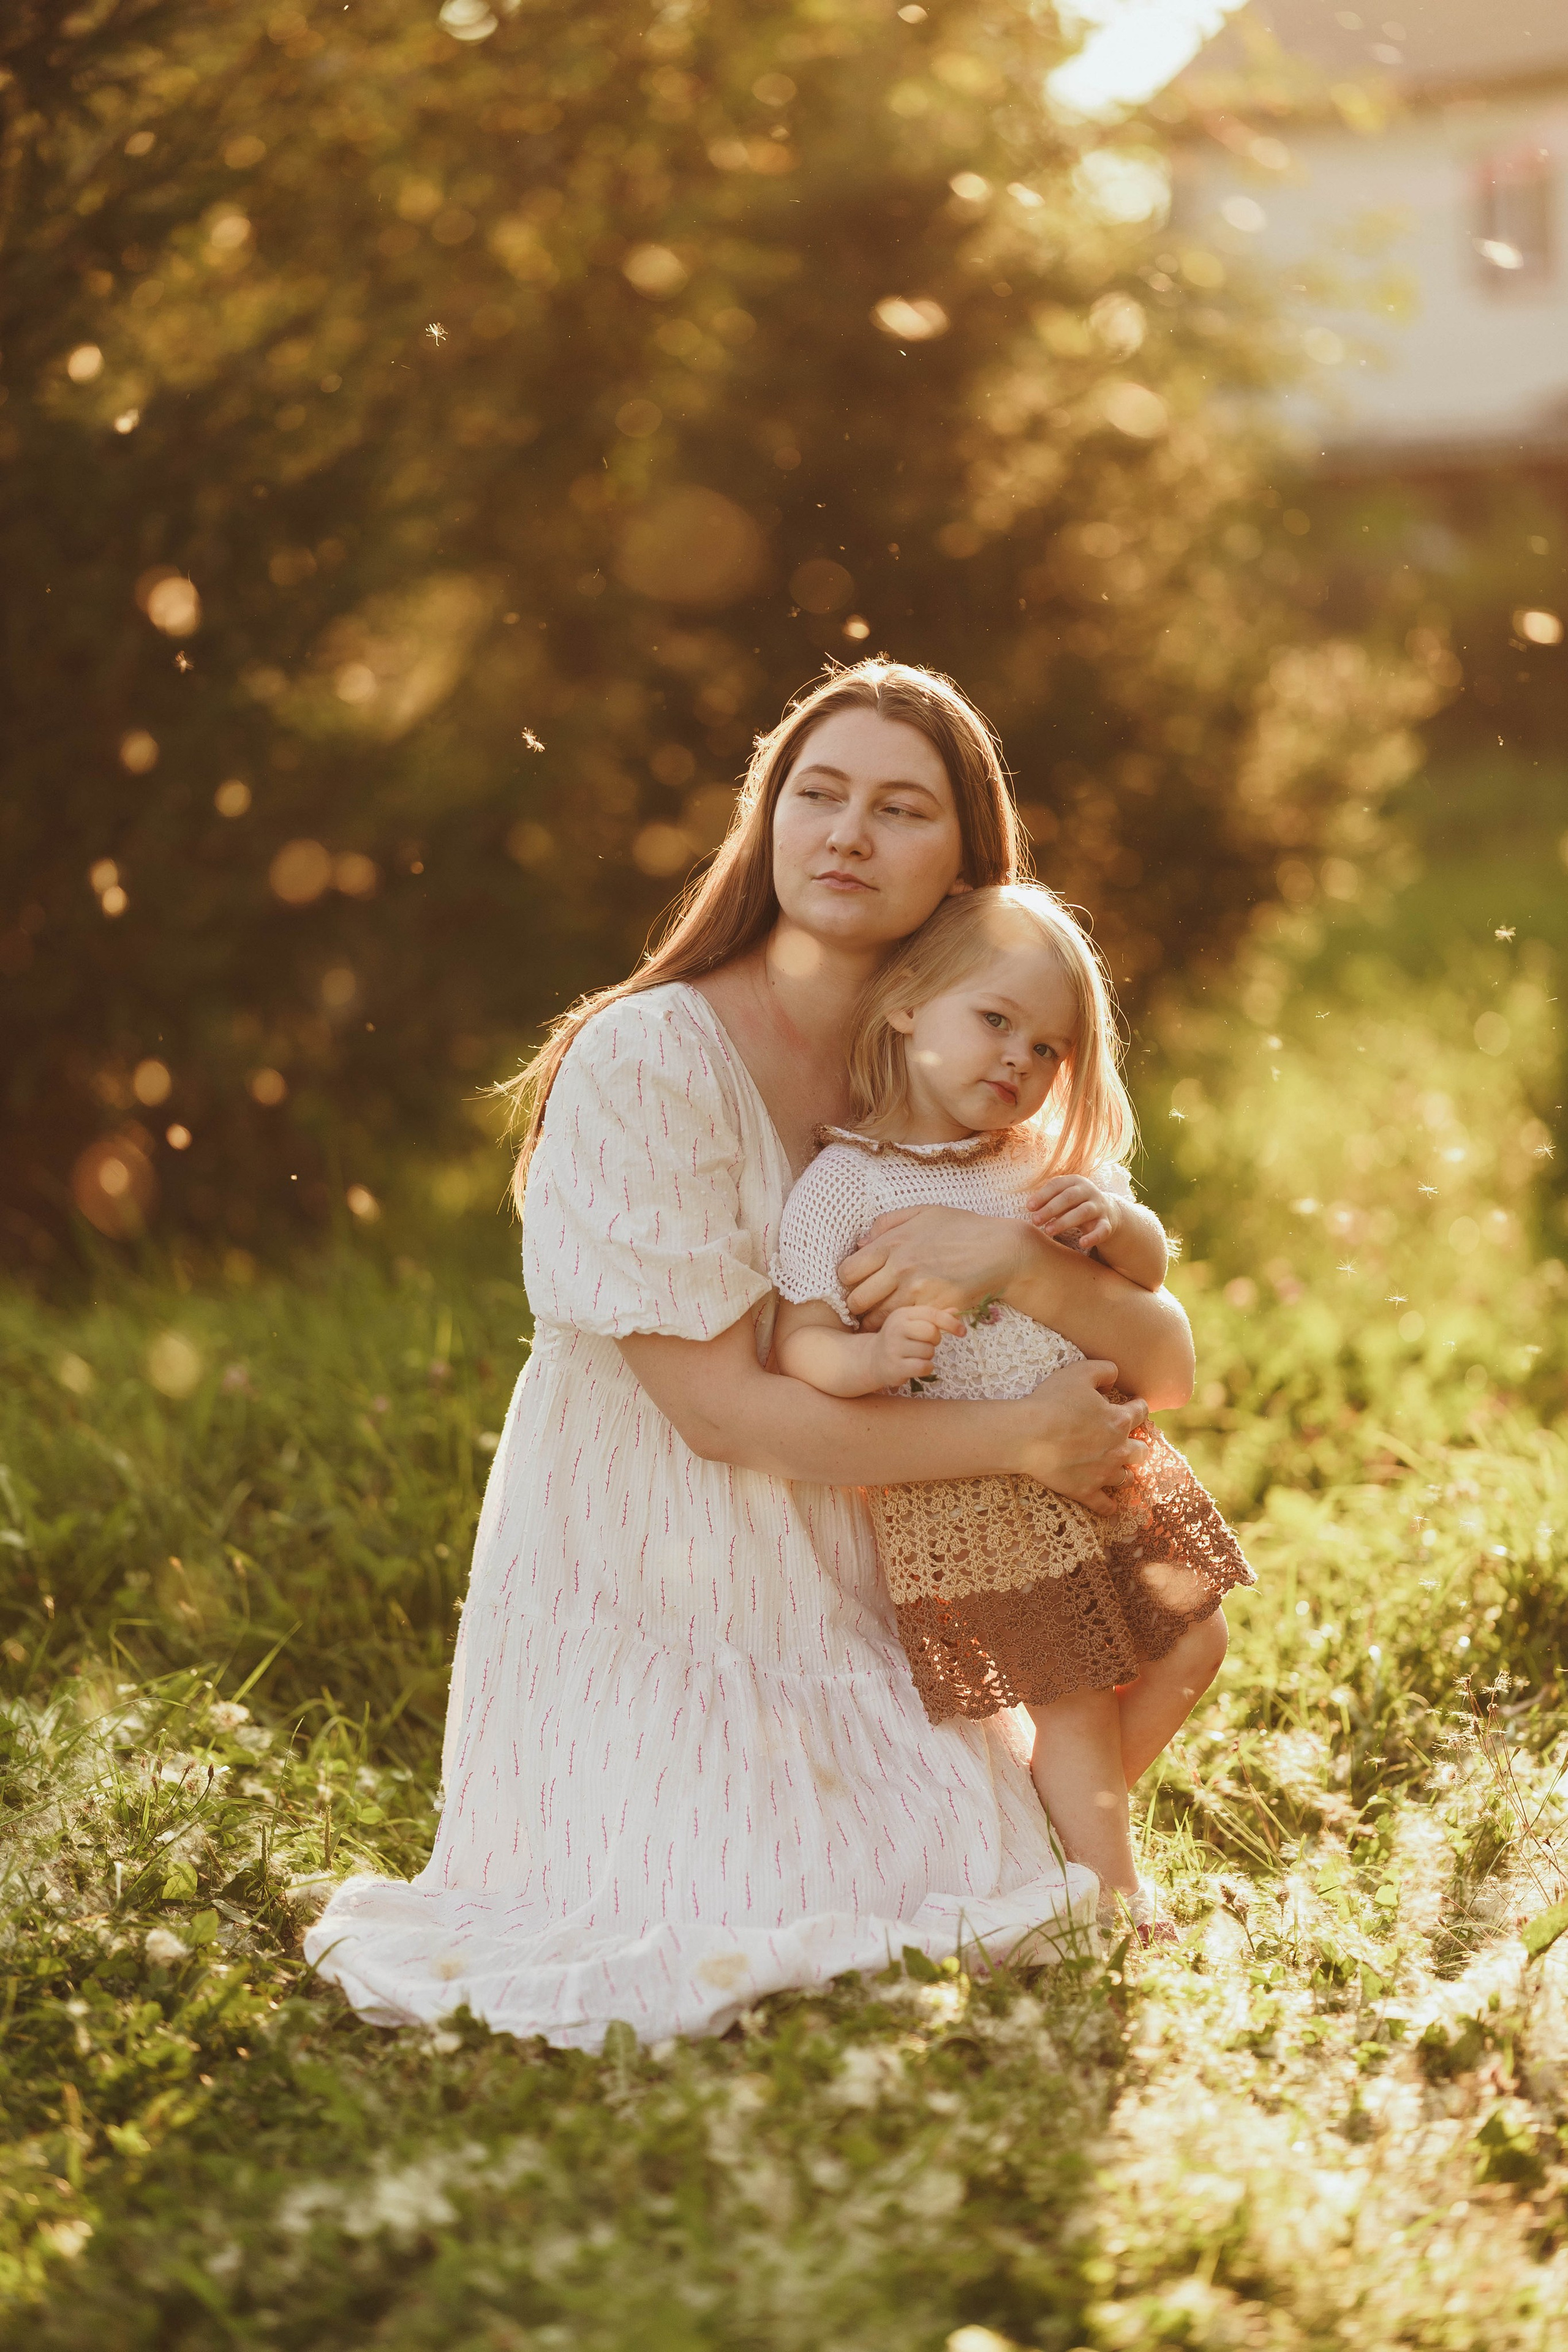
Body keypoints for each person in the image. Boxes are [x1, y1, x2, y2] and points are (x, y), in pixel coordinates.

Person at [305, 660, 1198, 2049]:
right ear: (763, 816)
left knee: (992, 1854)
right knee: (761, 1896)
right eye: (815, 793)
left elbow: (1138, 1336)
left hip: (886, 1544)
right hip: (662, 1564)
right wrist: (1024, 1437)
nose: (845, 834)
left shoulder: (970, 1065)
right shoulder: (648, 1058)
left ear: (965, 869)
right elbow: (721, 1415)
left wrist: (1021, 1270)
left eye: (900, 809)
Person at [772, 881, 1252, 1939]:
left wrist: (1120, 1225)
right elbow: (797, 1340)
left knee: (1193, 1645)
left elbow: (1147, 1279)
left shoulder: (1043, 1163)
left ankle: (1036, 1841)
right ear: (906, 1004)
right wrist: (870, 1356)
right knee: (1071, 1695)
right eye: (997, 1022)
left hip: (1105, 1462)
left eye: (1048, 1051)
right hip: (980, 1494)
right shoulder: (846, 1185)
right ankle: (1112, 1900)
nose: (1019, 1063)